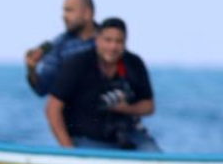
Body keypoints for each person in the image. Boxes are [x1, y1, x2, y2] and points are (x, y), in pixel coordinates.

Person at [45, 17, 159, 151]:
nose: (113, 47)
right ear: (97, 39)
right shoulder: (77, 64)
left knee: (155, 156)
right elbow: (52, 108)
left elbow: (149, 106)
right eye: (108, 40)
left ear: (125, 43)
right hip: (86, 138)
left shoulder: (134, 64)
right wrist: (68, 150)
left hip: (127, 136)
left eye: (119, 41)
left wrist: (124, 108)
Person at [25, 0, 98, 97]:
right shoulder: (58, 46)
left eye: (69, 10)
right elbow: (42, 89)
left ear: (87, 13)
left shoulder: (108, 40)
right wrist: (31, 69)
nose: (64, 16)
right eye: (64, 11)